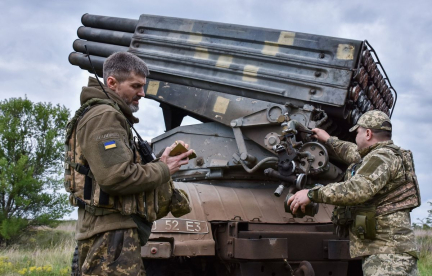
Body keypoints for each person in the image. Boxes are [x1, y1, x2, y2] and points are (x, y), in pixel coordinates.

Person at [66, 52, 193, 275]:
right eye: (136, 86)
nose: (142, 93)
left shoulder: (106, 114)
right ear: (112, 83)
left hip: (110, 233)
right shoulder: (104, 116)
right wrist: (164, 169)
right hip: (111, 237)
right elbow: (116, 177)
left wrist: (161, 160)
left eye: (143, 86)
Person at [287, 110, 420, 276]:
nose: (356, 137)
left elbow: (356, 189)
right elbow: (351, 151)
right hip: (389, 251)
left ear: (368, 133)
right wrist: (328, 139)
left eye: (358, 132)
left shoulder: (382, 158)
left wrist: (311, 194)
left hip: (388, 256)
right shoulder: (382, 154)